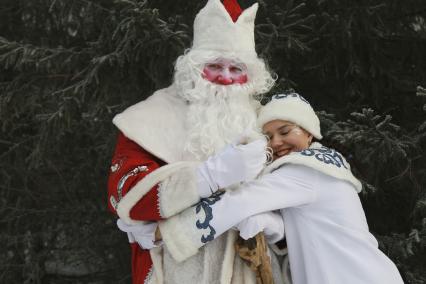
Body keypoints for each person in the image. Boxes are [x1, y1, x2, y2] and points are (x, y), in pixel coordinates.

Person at [107, 0, 278, 283]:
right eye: (214, 66)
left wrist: (280, 230)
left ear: (250, 76)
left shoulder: (269, 123)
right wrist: (205, 177)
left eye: (236, 69)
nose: (225, 77)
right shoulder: (149, 117)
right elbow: (125, 193)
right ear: (194, 68)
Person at [155, 93, 405, 284]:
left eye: (285, 131)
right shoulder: (319, 171)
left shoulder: (306, 169)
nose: (276, 142)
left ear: (309, 133)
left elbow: (238, 201)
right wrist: (277, 230)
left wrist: (167, 232)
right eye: (268, 136)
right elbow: (313, 228)